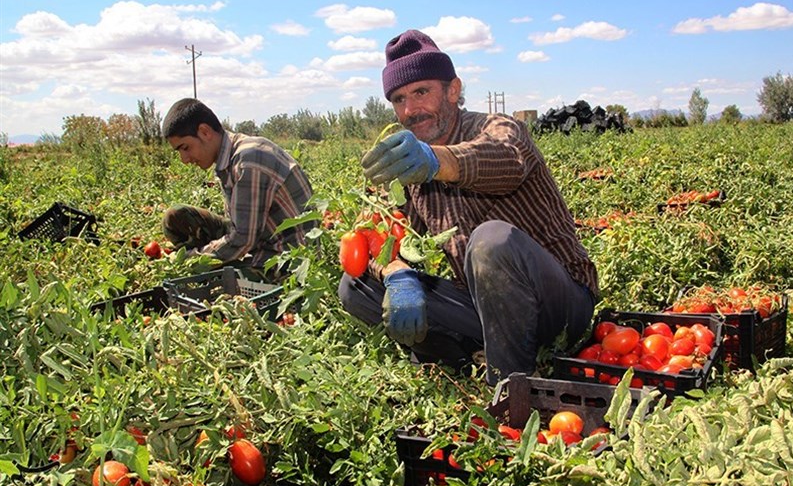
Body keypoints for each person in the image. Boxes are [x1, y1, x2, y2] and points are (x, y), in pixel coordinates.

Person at [337, 29, 599, 385]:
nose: (411, 109)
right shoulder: (407, 168)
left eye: (421, 92)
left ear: (453, 90)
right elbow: (383, 240)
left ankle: (510, 387)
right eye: (399, 99)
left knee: (491, 241)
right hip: (485, 308)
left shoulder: (497, 128)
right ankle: (457, 359)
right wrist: (396, 273)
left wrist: (437, 161)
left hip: (559, 304)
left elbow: (506, 161)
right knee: (355, 287)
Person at [160, 97, 316, 282]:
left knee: (220, 281)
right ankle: (201, 265)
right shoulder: (232, 155)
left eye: (185, 148)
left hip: (286, 257)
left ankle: (200, 270)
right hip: (261, 235)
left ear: (204, 132)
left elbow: (243, 239)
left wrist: (192, 259)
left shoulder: (250, 159)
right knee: (176, 217)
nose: (184, 159)